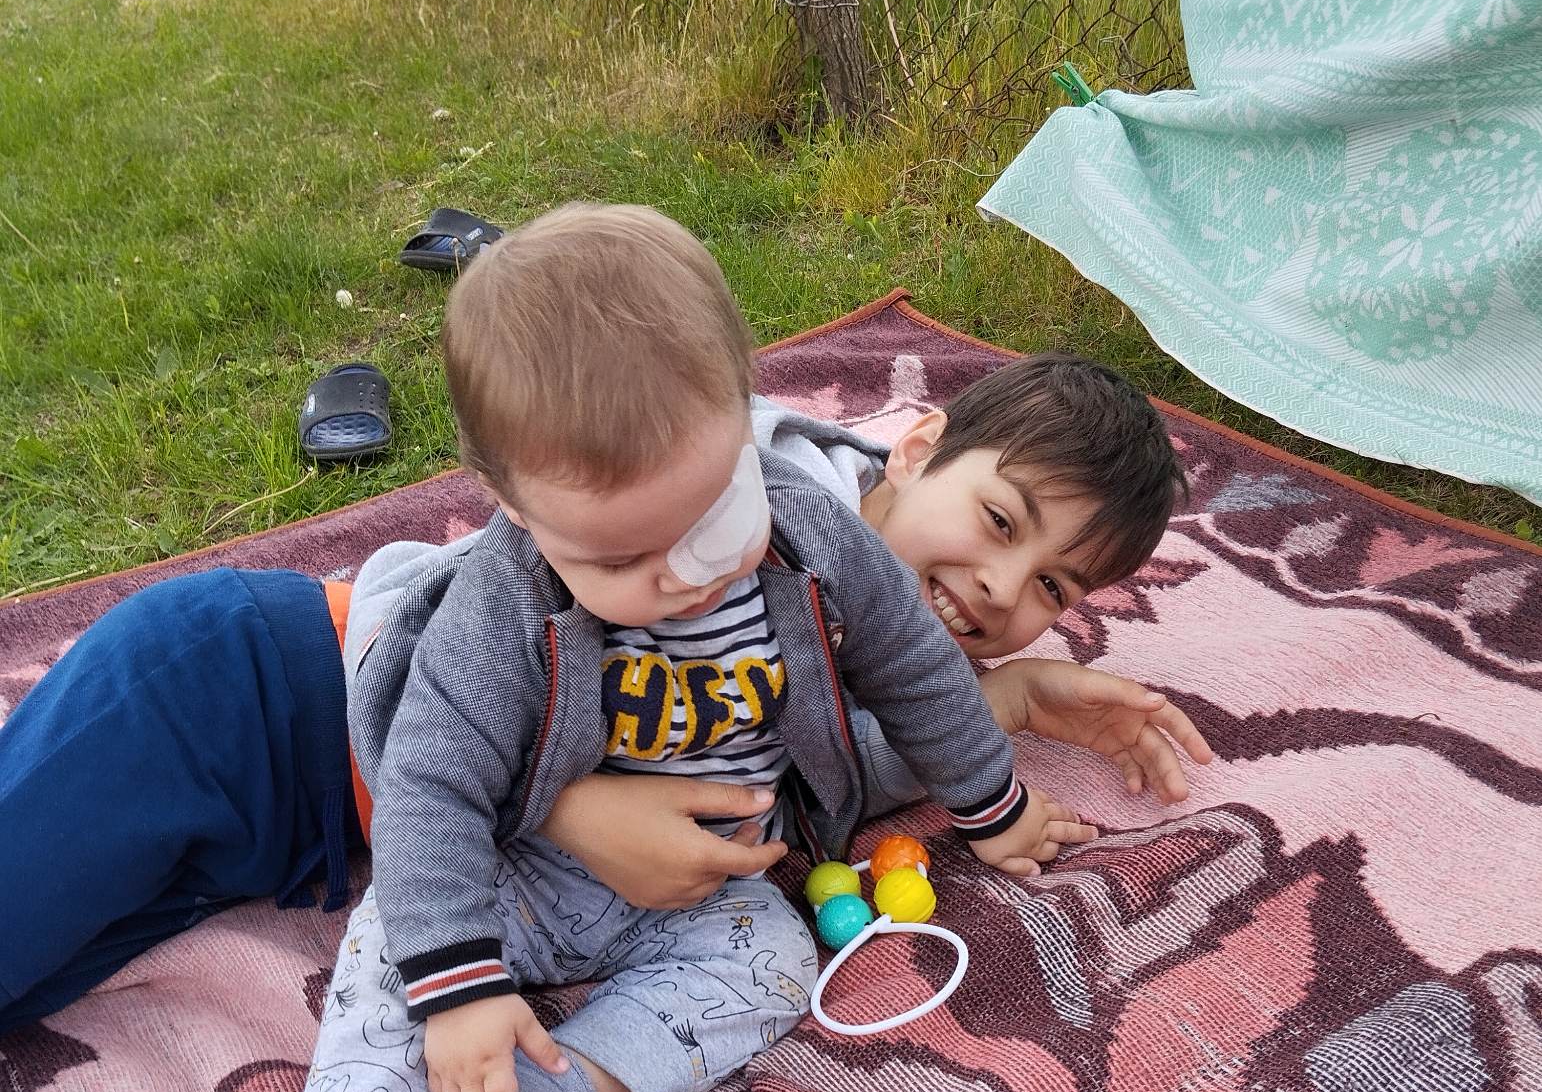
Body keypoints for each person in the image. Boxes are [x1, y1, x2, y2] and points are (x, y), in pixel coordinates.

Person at [258, 202, 1089, 1092]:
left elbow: (912, 664)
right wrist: (459, 989)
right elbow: (433, 787)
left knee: (775, 958)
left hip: (701, 901)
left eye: (709, 520)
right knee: (389, 965)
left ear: (743, 422)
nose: (680, 576)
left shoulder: (808, 529)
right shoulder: (501, 603)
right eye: (617, 559)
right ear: (514, 504)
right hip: (521, 876)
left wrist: (992, 806)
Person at [0, 317, 1205, 1039]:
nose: (1000, 587)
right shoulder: (726, 496)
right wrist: (569, 807)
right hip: (256, 692)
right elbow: (470, 653)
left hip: (291, 839)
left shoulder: (869, 645)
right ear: (919, 445)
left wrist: (1013, 697)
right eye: (1000, 521)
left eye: (1054, 589)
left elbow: (826, 766)